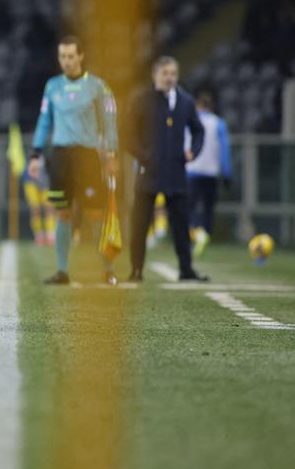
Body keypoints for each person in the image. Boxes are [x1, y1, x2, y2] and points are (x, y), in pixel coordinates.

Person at [27, 35, 119, 285]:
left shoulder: (97, 86)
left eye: (70, 56)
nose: (65, 61)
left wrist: (111, 153)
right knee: (63, 214)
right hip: (60, 156)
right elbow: (44, 120)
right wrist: (35, 154)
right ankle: (62, 271)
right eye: (62, 56)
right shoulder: (52, 86)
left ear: (80, 56)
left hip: (88, 157)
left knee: (96, 214)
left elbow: (110, 121)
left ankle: (108, 269)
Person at [126, 56, 206, 281]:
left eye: (173, 73)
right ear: (155, 76)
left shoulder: (186, 102)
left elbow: (198, 131)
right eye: (165, 73)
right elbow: (127, 133)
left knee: (181, 226)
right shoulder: (141, 100)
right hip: (148, 173)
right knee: (139, 225)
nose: (169, 78)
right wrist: (144, 156)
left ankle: (186, 270)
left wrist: (193, 151)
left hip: (175, 173)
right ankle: (136, 270)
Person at [185, 90, 232, 258]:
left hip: (191, 171)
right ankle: (204, 233)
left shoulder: (190, 122)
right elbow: (224, 150)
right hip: (211, 173)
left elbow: (184, 145)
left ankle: (194, 233)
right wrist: (227, 173)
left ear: (197, 105)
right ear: (211, 106)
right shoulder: (219, 123)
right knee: (208, 208)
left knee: (189, 208)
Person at [23, 165, 57, 246]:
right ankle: (39, 236)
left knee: (49, 207)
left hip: (47, 177)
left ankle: (50, 236)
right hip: (30, 178)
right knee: (35, 208)